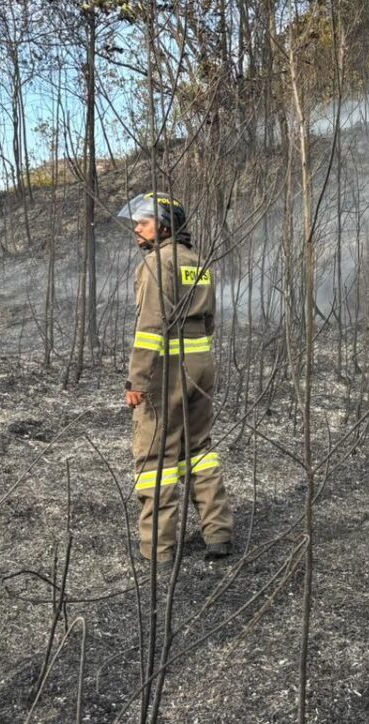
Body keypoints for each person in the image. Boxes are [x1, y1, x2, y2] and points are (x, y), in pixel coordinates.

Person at [117, 192, 233, 567]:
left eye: (144, 222)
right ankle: (218, 534)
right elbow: (211, 319)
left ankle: (159, 551)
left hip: (165, 371)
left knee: (154, 458)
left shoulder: (156, 264)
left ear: (164, 225)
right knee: (199, 449)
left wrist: (138, 382)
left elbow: (149, 328)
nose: (137, 228)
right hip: (201, 364)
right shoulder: (197, 262)